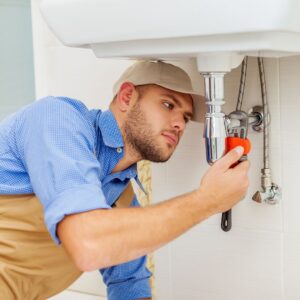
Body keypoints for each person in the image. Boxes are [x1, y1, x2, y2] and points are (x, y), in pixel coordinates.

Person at [0, 61, 249, 300]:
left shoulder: (120, 193)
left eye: (185, 118)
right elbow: (88, 243)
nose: (179, 124)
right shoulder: (57, 120)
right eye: (168, 105)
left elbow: (129, 284)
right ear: (127, 97)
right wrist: (207, 200)